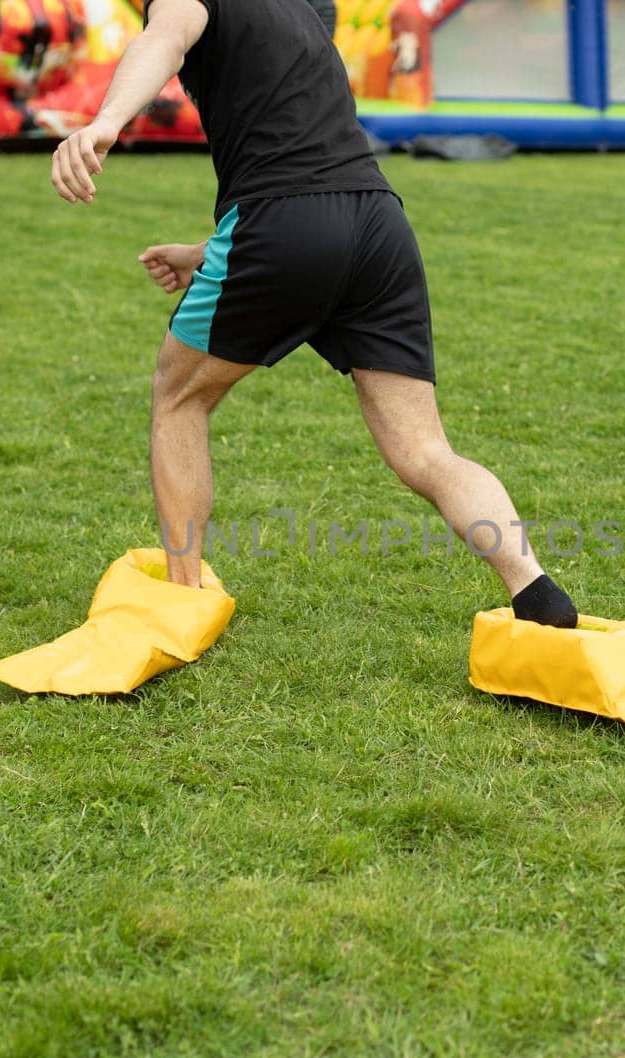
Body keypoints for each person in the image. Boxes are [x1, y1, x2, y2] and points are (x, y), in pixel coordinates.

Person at [48, 0, 580, 629]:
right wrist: (206, 251)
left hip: (281, 223)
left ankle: (182, 599)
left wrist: (106, 121)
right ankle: (537, 591)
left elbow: (165, 38)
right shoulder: (305, 8)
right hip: (379, 223)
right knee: (424, 450)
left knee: (178, 397)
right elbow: (302, 143)